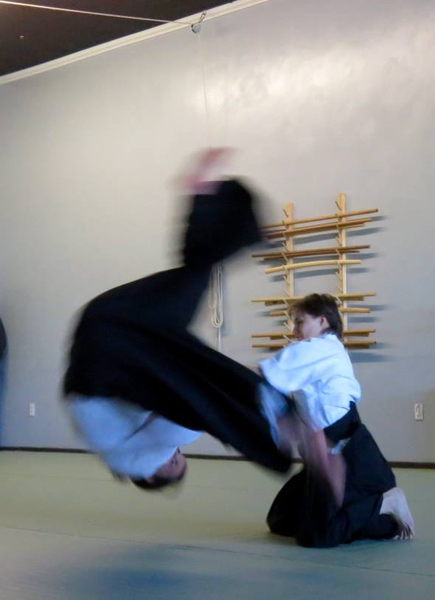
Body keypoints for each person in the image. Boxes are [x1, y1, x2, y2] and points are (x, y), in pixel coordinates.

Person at [63, 150, 339, 494]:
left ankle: (279, 422)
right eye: (178, 458)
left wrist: (280, 428)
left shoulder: (132, 461)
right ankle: (202, 194)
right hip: (109, 324)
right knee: (193, 279)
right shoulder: (120, 442)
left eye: (172, 463)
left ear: (150, 477)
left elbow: (188, 421)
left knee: (201, 394)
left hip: (104, 362)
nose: (174, 454)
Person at [261, 294, 414, 548]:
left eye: (299, 322)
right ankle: (369, 514)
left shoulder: (321, 348)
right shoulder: (320, 350)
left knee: (319, 536)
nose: (294, 330)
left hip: (348, 456)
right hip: (323, 453)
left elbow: (265, 376)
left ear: (322, 321)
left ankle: (387, 504)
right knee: (281, 520)